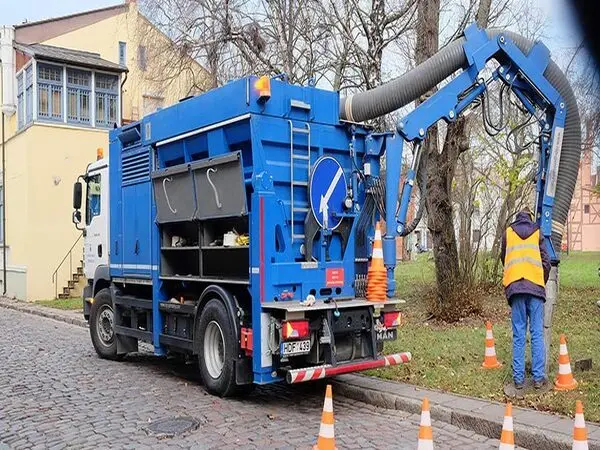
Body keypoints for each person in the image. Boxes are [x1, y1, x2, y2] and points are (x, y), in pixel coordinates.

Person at [501, 207, 551, 390]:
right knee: (537, 333)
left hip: (515, 288)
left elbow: (504, 258)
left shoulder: (508, 233)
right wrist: (540, 280)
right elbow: (546, 261)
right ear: (530, 218)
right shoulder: (537, 232)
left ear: (517, 218)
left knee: (519, 334)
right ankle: (538, 379)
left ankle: (519, 380)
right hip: (535, 288)